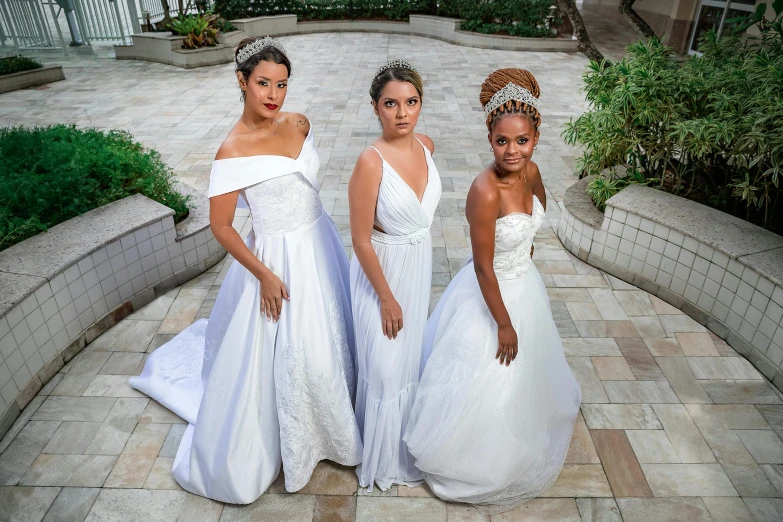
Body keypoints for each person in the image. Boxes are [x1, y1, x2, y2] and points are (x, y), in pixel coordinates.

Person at [129, 36, 362, 504]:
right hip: (278, 258)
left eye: (281, 84)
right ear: (241, 81)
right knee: (300, 351)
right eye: (262, 83)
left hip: (320, 244)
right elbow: (221, 227)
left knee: (334, 333)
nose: (274, 95)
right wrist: (264, 274)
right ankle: (307, 441)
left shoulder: (299, 123)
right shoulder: (231, 151)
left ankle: (340, 418)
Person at [403, 68, 582, 514]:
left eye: (522, 140)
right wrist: (503, 323)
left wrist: (526, 252)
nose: (513, 151)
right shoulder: (484, 191)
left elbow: (536, 213)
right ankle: (476, 454)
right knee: (486, 372)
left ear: (536, 137)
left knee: (528, 375)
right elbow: (483, 265)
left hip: (524, 282)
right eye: (502, 141)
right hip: (491, 293)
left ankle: (520, 431)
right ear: (489, 139)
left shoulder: (534, 171)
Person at [348, 59, 442, 492]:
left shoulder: (426, 145)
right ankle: (382, 457)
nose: (402, 113)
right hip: (381, 272)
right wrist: (385, 297)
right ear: (375, 108)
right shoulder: (370, 162)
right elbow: (361, 240)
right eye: (391, 103)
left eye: (411, 102)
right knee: (384, 368)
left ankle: (405, 439)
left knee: (407, 361)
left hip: (416, 266)